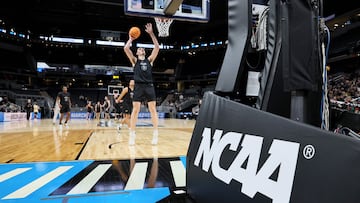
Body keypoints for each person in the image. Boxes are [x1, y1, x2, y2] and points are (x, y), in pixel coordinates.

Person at [124, 23, 159, 145]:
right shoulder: (134, 61)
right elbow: (126, 49)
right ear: (137, 53)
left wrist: (151, 34)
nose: (141, 49)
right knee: (135, 110)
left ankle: (155, 134)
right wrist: (130, 39)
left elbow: (157, 47)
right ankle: (132, 134)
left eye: (142, 49)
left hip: (149, 86)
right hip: (138, 86)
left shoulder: (150, 60)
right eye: (139, 49)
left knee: (152, 110)